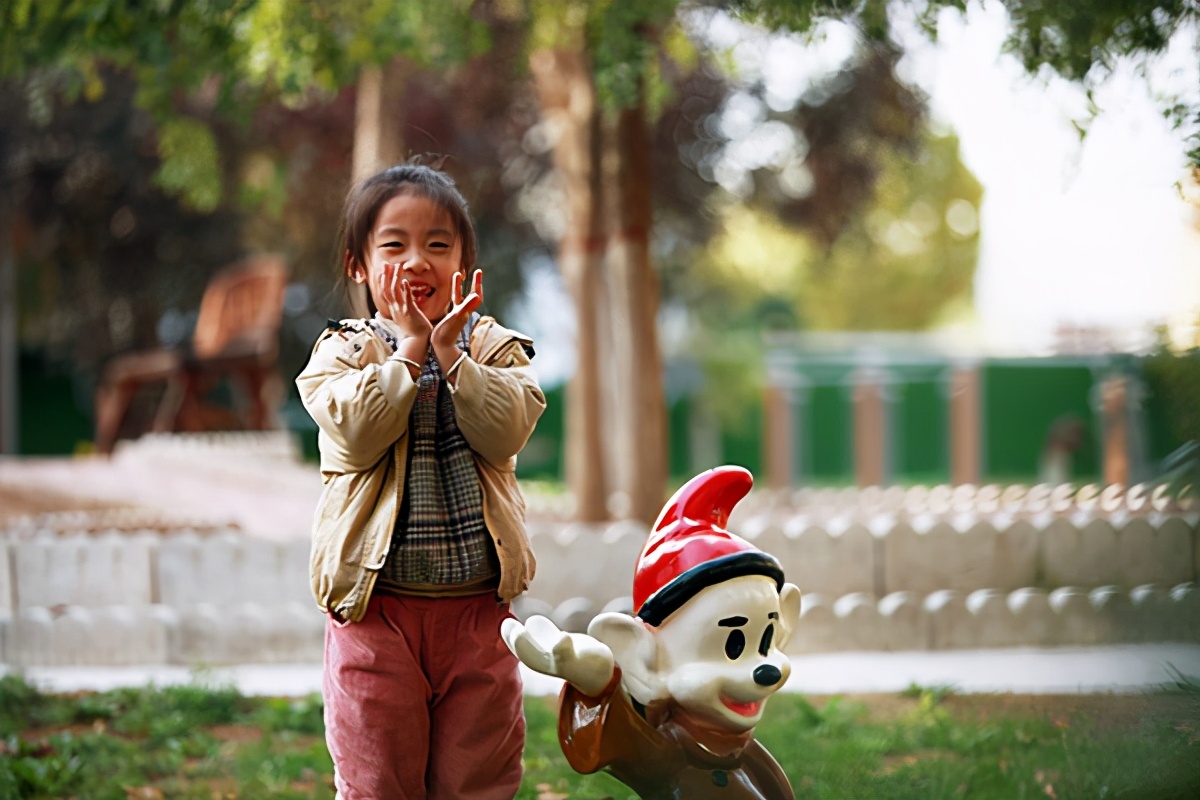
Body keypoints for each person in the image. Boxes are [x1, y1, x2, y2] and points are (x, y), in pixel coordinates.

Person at [296, 161, 546, 800]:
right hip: (376, 614)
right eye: (394, 245)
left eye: (438, 245)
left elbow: (506, 429)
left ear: (465, 262)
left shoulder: (492, 349)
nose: (417, 261)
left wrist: (451, 357)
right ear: (359, 265)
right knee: (379, 779)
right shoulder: (344, 353)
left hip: (478, 616)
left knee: (479, 778)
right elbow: (355, 430)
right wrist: (408, 352)